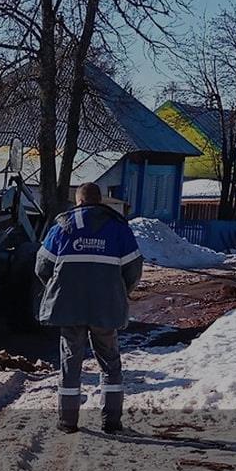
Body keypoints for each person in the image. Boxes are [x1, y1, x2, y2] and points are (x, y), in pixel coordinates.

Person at [35, 182, 143, 434]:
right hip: (106, 308)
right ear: (100, 201)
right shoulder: (118, 228)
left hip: (69, 308)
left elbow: (41, 266)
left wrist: (57, 288)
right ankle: (111, 422)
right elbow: (134, 269)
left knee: (70, 362)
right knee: (110, 364)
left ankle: (67, 421)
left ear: (79, 202)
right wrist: (120, 293)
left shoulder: (62, 227)